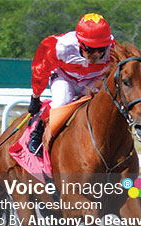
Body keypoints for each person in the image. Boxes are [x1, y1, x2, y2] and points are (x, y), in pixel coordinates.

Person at [27, 13, 116, 156]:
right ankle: (38, 130)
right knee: (63, 101)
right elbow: (41, 70)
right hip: (64, 77)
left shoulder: (114, 50)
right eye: (90, 49)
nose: (97, 55)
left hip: (94, 79)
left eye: (101, 49)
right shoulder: (60, 46)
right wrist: (35, 97)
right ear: (80, 43)